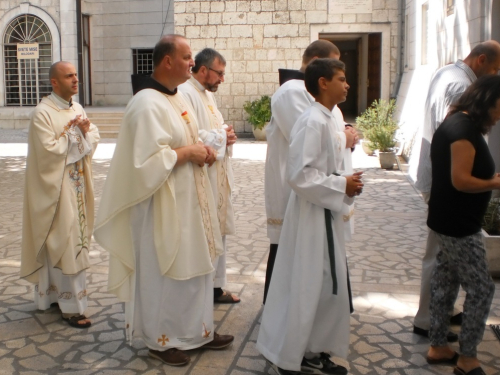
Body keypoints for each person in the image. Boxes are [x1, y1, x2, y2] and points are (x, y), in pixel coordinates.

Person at [94, 35, 233, 366]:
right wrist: (188, 152)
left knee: (195, 267)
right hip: (161, 206)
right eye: (186, 57)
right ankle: (160, 338)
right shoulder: (146, 103)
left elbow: (189, 138)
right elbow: (144, 162)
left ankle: (197, 332)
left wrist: (203, 149)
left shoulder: (176, 99)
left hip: (189, 200)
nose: (191, 63)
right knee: (164, 270)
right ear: (167, 61)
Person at [257, 58, 363, 375]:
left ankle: (316, 348)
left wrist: (345, 183)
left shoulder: (330, 119)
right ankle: (290, 355)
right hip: (310, 215)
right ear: (323, 83)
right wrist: (340, 184)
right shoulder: (311, 121)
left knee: (327, 283)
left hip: (326, 212)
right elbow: (299, 175)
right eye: (342, 79)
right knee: (306, 283)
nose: (347, 85)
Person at [413, 40, 500, 340]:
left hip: (446, 196)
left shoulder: (449, 73)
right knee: (443, 264)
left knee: (445, 268)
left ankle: (437, 323)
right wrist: (491, 181)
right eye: (494, 69)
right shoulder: (458, 89)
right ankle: (428, 321)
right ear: (481, 60)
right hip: (451, 201)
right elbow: (455, 158)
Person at [263, 40, 358, 304]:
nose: (345, 83)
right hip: (297, 188)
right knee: (289, 248)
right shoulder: (290, 92)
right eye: (338, 74)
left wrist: (347, 132)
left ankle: (326, 308)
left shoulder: (317, 95)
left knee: (324, 250)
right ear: (316, 62)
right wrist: (344, 139)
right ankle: (282, 307)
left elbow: (331, 126)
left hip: (324, 185)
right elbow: (305, 138)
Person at [424, 75, 500, 375]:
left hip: (448, 219)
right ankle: (467, 358)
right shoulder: (462, 130)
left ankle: (438, 345)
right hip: (458, 224)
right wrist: (494, 182)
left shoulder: (458, 122)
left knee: (445, 282)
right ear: (487, 100)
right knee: (481, 288)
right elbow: (461, 180)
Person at [20, 61, 100, 328]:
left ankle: (56, 297)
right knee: (63, 239)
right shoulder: (42, 113)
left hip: (76, 186)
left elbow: (93, 135)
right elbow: (47, 151)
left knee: (75, 240)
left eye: (76, 74)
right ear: (54, 82)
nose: (76, 79)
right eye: (69, 76)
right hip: (55, 190)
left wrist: (85, 131)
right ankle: (70, 307)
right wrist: (75, 133)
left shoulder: (77, 107)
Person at [178, 48, 240, 304]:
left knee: (217, 230)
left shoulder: (206, 94)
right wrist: (223, 136)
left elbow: (214, 129)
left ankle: (215, 286)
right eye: (220, 73)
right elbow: (188, 135)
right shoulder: (185, 93)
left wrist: (227, 133)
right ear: (203, 70)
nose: (222, 79)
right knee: (205, 229)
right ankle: (202, 287)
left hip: (217, 174)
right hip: (201, 174)